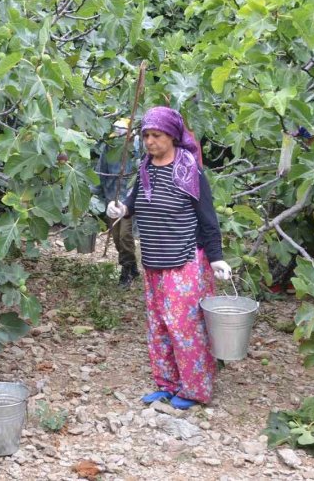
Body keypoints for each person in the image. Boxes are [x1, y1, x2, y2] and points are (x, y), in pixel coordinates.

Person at [106, 107, 232, 410]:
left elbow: (208, 218)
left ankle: (194, 389)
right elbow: (135, 201)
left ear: (172, 136)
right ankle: (167, 384)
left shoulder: (190, 171)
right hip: (154, 260)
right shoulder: (146, 167)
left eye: (156, 136)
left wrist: (216, 257)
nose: (150, 141)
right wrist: (121, 209)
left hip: (185, 261)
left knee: (185, 328)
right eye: (146, 135)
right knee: (159, 325)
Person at [91, 118, 140, 288]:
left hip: (129, 201)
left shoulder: (137, 148)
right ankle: (132, 266)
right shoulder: (109, 147)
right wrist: (94, 194)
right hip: (112, 198)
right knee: (117, 238)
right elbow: (101, 170)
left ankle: (126, 271)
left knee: (125, 235)